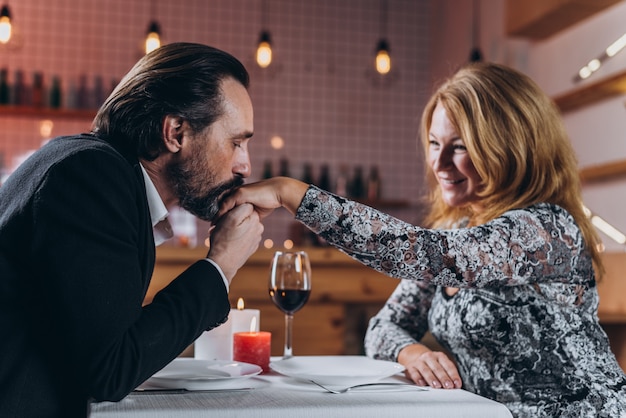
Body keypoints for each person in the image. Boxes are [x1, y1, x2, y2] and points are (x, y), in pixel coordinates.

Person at [219, 62, 626, 417]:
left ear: (511, 148)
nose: (439, 163)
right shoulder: (457, 232)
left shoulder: (547, 229)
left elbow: (431, 255)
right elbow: (383, 327)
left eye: (460, 146)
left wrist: (294, 195)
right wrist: (411, 352)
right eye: (434, 143)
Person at [0, 43, 263, 417]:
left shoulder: (96, 170)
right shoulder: (92, 178)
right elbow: (110, 370)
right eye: (236, 142)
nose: (245, 167)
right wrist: (221, 264)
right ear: (175, 133)